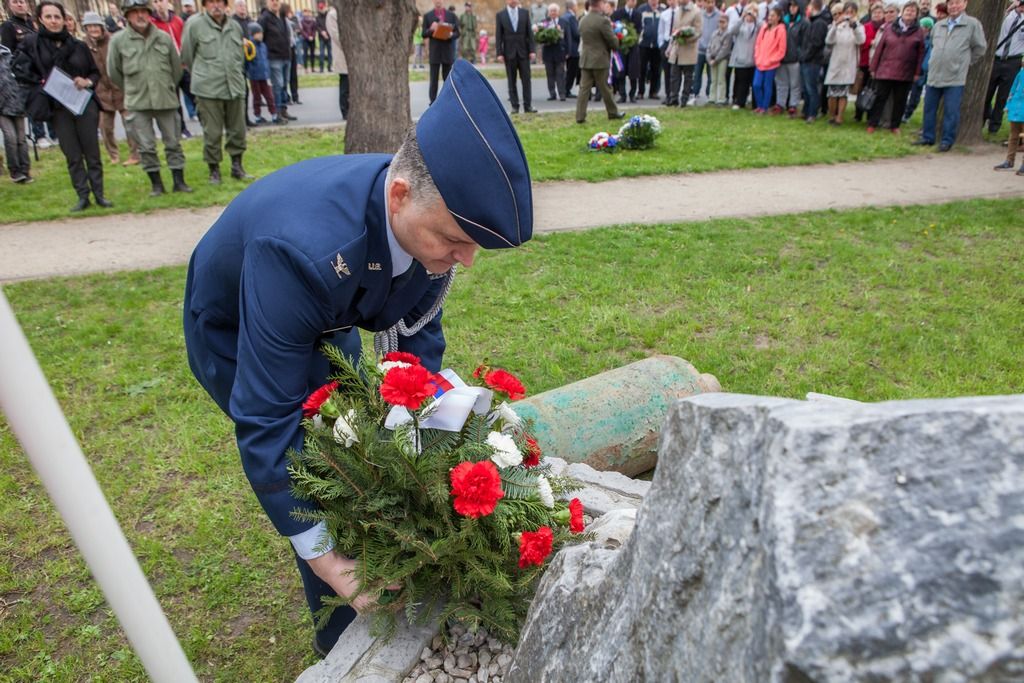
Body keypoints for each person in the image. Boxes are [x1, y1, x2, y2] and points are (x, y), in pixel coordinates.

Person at [182, 58, 533, 661]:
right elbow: (269, 419)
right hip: (239, 327)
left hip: (328, 308)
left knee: (362, 435)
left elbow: (414, 346)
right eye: (454, 241)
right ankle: (340, 636)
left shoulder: (423, 231)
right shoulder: (302, 253)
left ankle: (390, 559)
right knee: (320, 463)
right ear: (399, 195)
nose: (465, 260)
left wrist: (429, 439)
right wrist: (326, 558)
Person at [13, 0, 112, 211]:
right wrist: (43, 82)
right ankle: (82, 196)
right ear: (40, 20)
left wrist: (87, 82)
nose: (54, 21)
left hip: (83, 104)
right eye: (48, 17)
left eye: (57, 17)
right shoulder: (33, 44)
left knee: (92, 152)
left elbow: (95, 72)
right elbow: (22, 70)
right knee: (73, 155)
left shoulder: (79, 46)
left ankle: (100, 194)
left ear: (64, 20)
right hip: (57, 107)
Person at [108, 0, 189, 195]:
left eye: (143, 11)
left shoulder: (163, 38)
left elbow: (176, 69)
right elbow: (114, 72)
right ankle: (157, 185)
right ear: (127, 16)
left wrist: (167, 85)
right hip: (138, 101)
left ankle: (179, 182)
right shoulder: (118, 41)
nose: (140, 16)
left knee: (173, 142)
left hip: (165, 99)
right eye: (135, 12)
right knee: (146, 146)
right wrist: (134, 88)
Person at [181, 0, 253, 184]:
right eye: (211, 2)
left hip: (234, 86)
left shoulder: (234, 25)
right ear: (205, 5)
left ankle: (237, 166)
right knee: (212, 133)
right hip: (208, 88)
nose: (216, 6)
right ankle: (214, 170)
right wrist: (204, 74)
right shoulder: (195, 25)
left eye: (219, 1)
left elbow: (239, 55)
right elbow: (187, 56)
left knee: (237, 130)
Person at [912, 0, 986, 151]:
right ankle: (928, 137)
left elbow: (980, 47)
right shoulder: (939, 25)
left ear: (965, 4)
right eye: (951, 3)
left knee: (951, 110)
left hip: (955, 77)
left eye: (957, 3)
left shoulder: (972, 24)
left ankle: (947, 140)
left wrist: (964, 62)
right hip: (934, 74)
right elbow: (933, 44)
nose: (954, 6)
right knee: (929, 108)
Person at [82, 11, 138, 166]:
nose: (93, 29)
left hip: (120, 88)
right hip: (101, 92)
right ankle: (114, 155)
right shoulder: (83, 45)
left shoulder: (113, 40)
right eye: (90, 26)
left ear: (101, 26)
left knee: (130, 124)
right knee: (106, 128)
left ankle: (135, 154)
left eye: (96, 25)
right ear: (86, 29)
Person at [867, 1, 924, 134]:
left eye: (912, 11)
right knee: (880, 98)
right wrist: (874, 67)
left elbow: (920, 54)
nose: (909, 13)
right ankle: (872, 123)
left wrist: (917, 72)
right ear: (902, 12)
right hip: (886, 69)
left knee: (900, 101)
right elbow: (879, 49)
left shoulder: (918, 32)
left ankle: (895, 125)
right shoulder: (889, 28)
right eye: (907, 10)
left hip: (905, 72)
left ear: (916, 15)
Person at [575, 0, 625, 121]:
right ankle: (613, 112)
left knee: (584, 89)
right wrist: (618, 39)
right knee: (605, 87)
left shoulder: (583, 20)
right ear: (599, 4)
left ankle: (580, 116)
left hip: (586, 58)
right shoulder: (603, 21)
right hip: (600, 59)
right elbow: (612, 41)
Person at [984, 0, 1024, 135]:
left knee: (1003, 96)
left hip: (1013, 60)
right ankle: (982, 119)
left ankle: (994, 126)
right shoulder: (1006, 15)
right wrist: (1010, 8)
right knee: (987, 92)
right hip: (996, 59)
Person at [824, 1, 865, 125]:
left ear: (855, 13)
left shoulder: (858, 26)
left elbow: (861, 40)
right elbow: (828, 40)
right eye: (847, 12)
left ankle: (839, 117)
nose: (849, 15)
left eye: (852, 12)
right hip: (835, 63)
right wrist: (835, 25)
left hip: (848, 63)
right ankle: (832, 115)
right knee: (832, 93)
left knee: (843, 94)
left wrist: (855, 27)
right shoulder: (837, 25)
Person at [496, 0, 537, 113]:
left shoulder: (524, 13)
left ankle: (528, 105)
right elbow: (499, 35)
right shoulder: (500, 15)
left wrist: (532, 50)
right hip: (509, 53)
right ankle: (515, 106)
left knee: (526, 80)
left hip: (524, 52)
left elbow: (530, 33)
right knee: (511, 80)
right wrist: (499, 53)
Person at [0, 43, 31, 183]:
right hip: (1, 107)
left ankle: (25, 169)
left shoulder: (8, 55)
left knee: (21, 138)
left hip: (16, 101)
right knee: (10, 137)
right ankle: (15, 171)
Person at [259, 0, 295, 122]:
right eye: (272, 1)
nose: (275, 3)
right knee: (278, 85)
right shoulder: (264, 18)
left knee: (285, 84)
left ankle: (283, 109)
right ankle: (277, 112)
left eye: (277, 0)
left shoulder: (282, 17)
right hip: (273, 57)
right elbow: (259, 38)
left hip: (286, 55)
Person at [798, 0, 830, 121]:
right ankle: (806, 111)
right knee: (806, 89)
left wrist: (806, 55)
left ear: (814, 7)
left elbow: (816, 43)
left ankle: (812, 113)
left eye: (809, 6)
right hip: (807, 60)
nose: (807, 9)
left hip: (813, 61)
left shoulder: (819, 23)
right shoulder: (813, 22)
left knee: (812, 89)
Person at [665, 0, 702, 106]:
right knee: (674, 75)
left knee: (688, 76)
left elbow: (698, 31)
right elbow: (674, 30)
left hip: (688, 48)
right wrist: (670, 46)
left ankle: (684, 99)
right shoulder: (678, 11)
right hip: (676, 48)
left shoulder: (696, 12)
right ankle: (674, 98)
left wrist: (685, 37)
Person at [423, 0, 459, 104]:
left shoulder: (451, 15)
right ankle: (432, 103)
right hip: (434, 53)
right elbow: (423, 34)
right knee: (433, 80)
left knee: (448, 80)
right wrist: (431, 29)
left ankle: (449, 102)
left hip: (447, 52)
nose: (438, 1)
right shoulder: (428, 16)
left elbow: (457, 33)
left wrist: (450, 34)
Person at [753, 7, 786, 114]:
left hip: (771, 64)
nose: (770, 18)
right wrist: (757, 57)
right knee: (756, 85)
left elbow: (781, 50)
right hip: (760, 62)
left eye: (773, 16)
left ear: (778, 17)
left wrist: (771, 60)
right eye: (769, 15)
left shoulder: (781, 30)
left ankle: (764, 107)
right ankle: (760, 105)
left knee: (767, 86)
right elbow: (757, 44)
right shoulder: (764, 29)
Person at [993, 64, 1023, 174]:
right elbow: (1013, 90)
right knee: (1013, 136)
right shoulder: (1020, 74)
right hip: (1016, 108)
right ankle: (1009, 160)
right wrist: (1009, 104)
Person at [612, 0, 644, 103]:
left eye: (635, 1)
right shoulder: (618, 13)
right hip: (621, 46)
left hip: (633, 46)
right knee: (621, 71)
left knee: (633, 71)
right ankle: (622, 94)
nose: (633, 2)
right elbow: (614, 27)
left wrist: (633, 38)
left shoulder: (638, 14)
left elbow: (639, 29)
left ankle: (632, 94)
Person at [245, 23, 277, 124]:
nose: (261, 35)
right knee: (257, 97)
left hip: (264, 75)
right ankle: (258, 116)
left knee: (269, 96)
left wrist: (268, 72)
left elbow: (265, 59)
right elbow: (247, 61)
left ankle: (274, 115)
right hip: (254, 76)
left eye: (261, 33)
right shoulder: (249, 46)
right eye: (258, 33)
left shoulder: (263, 46)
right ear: (253, 34)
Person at [729, 3, 757, 108]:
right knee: (741, 81)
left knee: (753, 82)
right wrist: (742, 18)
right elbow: (731, 31)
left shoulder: (758, 25)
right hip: (740, 58)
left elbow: (762, 27)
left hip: (753, 58)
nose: (750, 15)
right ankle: (739, 101)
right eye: (749, 12)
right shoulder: (741, 24)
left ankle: (755, 103)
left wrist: (755, 18)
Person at [777, 0, 802, 116]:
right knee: (782, 83)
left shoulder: (802, 22)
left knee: (795, 84)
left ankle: (793, 104)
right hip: (782, 58)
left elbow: (804, 41)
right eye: (791, 6)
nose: (792, 8)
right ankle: (780, 103)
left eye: (795, 6)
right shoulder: (783, 22)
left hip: (794, 58)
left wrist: (799, 54)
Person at [691, 0, 719, 103]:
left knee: (711, 75)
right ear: (704, 3)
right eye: (708, 2)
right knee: (697, 73)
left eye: (712, 2)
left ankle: (709, 95)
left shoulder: (719, 15)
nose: (710, 4)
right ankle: (695, 94)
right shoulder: (699, 14)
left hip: (712, 51)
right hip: (700, 49)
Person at [541, 3, 570, 101]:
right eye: (551, 11)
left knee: (560, 74)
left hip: (560, 52)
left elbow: (568, 37)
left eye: (555, 11)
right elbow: (540, 38)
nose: (553, 12)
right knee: (550, 74)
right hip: (548, 52)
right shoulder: (544, 23)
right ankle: (552, 93)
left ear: (558, 12)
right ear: (548, 13)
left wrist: (568, 51)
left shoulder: (564, 22)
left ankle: (562, 94)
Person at [324, 2, 348, 120]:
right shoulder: (332, 14)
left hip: (351, 55)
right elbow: (335, 34)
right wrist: (351, 46)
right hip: (342, 54)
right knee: (345, 84)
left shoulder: (349, 13)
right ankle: (345, 110)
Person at [706, 13, 732, 105]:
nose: (721, 24)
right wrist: (709, 58)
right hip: (712, 58)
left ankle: (721, 98)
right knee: (713, 79)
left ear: (727, 23)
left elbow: (725, 49)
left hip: (722, 59)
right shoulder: (714, 33)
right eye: (720, 22)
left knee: (721, 79)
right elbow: (709, 45)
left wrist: (716, 59)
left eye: (723, 22)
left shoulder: (728, 34)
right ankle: (712, 97)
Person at [658, 0, 678, 104]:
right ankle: (668, 95)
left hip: (676, 42)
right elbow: (661, 31)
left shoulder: (680, 13)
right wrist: (661, 44)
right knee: (667, 72)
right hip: (666, 43)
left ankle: (675, 94)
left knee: (675, 72)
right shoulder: (664, 14)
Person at [563, 0, 581, 97]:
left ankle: (565, 89)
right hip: (574, 48)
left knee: (569, 70)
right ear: (572, 7)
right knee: (572, 71)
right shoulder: (571, 17)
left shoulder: (564, 16)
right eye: (576, 5)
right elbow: (576, 33)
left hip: (567, 48)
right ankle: (567, 90)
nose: (577, 7)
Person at [315, 1, 331, 73]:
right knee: (321, 53)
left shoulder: (328, 16)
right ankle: (321, 68)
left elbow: (330, 25)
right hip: (321, 37)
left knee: (330, 53)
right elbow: (317, 26)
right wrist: (322, 32)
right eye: (320, 8)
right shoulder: (317, 17)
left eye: (322, 8)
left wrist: (327, 33)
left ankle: (329, 67)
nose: (321, 10)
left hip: (329, 36)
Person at [299, 6, 316, 71]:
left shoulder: (313, 21)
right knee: (305, 54)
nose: (307, 13)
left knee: (312, 54)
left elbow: (314, 29)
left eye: (308, 12)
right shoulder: (302, 21)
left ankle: (312, 67)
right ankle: (306, 68)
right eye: (305, 12)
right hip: (305, 39)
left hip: (312, 39)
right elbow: (302, 30)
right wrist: (308, 37)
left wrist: (313, 36)